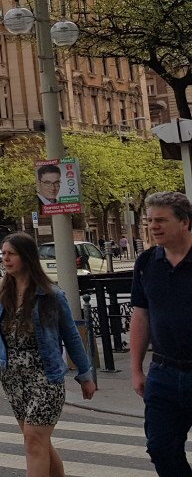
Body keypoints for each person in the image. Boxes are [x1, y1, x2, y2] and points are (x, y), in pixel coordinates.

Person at [0, 232, 96, 477]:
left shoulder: (51, 294)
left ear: (27, 257)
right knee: (38, 441)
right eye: (3, 254)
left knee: (34, 439)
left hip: (45, 376)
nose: (5, 259)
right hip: (13, 376)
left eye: (11, 254)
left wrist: (86, 374)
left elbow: (71, 335)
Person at [131, 191, 192, 476]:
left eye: (161, 220)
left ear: (185, 222)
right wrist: (136, 370)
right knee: (160, 448)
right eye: (150, 220)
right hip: (163, 373)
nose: (153, 226)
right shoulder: (146, 263)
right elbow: (140, 317)